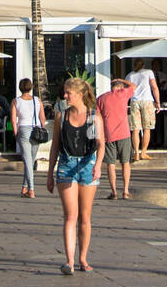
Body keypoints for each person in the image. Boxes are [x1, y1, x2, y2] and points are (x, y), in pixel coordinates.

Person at [47, 77, 105, 274]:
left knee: (85, 216)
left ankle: (83, 258)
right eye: (65, 92)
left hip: (88, 163)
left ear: (80, 95)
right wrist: (49, 174)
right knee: (70, 215)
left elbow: (100, 143)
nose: (65, 96)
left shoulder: (93, 117)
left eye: (68, 93)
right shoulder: (61, 117)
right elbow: (55, 146)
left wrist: (98, 165)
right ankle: (69, 261)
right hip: (66, 163)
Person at [97, 76, 137, 199]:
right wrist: (122, 80)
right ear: (120, 87)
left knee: (111, 164)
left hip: (108, 134)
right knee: (125, 163)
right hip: (124, 133)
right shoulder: (123, 94)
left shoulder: (101, 98)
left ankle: (114, 192)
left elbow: (97, 117)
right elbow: (133, 86)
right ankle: (125, 191)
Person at [11, 78, 45, 197]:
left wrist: (16, 134)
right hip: (36, 130)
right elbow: (43, 118)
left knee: (27, 161)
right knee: (30, 160)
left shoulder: (16, 101)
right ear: (31, 87)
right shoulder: (37, 100)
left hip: (23, 129)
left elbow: (13, 120)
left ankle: (31, 189)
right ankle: (25, 187)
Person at [127, 60, 161, 161]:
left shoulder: (130, 75)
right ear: (144, 65)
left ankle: (136, 152)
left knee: (135, 129)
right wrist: (158, 102)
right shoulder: (149, 72)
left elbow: (127, 90)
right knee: (147, 128)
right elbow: (154, 87)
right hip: (147, 101)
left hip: (134, 102)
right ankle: (144, 152)